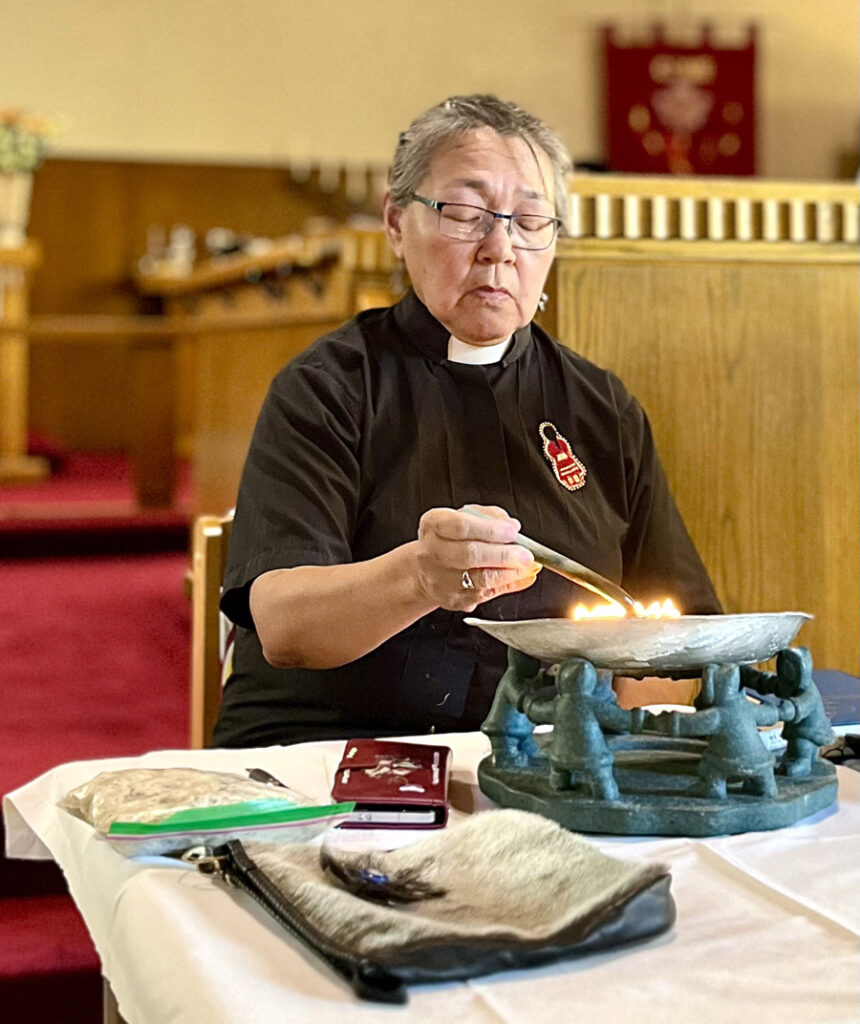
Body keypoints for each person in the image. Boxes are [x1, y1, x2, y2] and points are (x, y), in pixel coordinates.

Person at [213, 94, 720, 749]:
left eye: (531, 219)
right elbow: (283, 624)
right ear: (396, 223)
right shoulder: (327, 387)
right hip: (336, 747)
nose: (499, 247)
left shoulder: (600, 405)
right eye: (466, 213)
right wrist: (418, 577)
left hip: (550, 757)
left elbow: (678, 633)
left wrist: (613, 749)